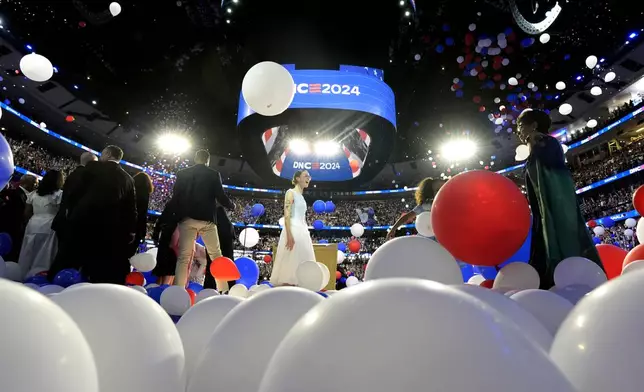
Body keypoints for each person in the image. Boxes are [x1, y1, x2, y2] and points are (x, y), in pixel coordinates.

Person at [517, 108, 603, 288]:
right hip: (542, 214)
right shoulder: (536, 150)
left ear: (533, 125)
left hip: (557, 209)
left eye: (520, 125)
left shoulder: (546, 144)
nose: (518, 131)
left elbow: (554, 182)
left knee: (564, 242)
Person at [68, 145, 137, 284]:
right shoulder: (128, 179)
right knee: (99, 265)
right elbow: (131, 209)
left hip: (84, 222)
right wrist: (131, 231)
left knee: (77, 261)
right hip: (110, 228)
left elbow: (76, 192)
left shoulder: (93, 168)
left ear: (107, 154)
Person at [170, 149, 234, 287]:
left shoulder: (183, 174)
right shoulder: (213, 174)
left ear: (195, 159)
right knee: (216, 255)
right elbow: (220, 196)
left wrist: (175, 216)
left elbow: (176, 197)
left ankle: (178, 290)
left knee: (184, 257)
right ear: (207, 160)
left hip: (187, 219)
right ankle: (223, 289)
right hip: (207, 220)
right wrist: (231, 206)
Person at [49, 152, 97, 279]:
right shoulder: (85, 176)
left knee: (63, 254)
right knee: (68, 258)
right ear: (92, 163)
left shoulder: (74, 174)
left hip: (64, 220)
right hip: (73, 222)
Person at [270, 170, 316, 286]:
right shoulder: (290, 193)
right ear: (297, 179)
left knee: (301, 263)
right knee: (290, 264)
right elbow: (287, 215)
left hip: (303, 232)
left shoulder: (301, 196)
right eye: (305, 176)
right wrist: (289, 235)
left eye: (309, 176)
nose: (308, 178)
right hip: (293, 230)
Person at [18, 170, 64, 278]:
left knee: (28, 251)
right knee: (44, 255)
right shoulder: (59, 194)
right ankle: (39, 277)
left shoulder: (34, 193)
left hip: (33, 224)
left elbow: (26, 212)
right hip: (49, 225)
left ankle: (22, 274)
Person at [0, 174, 38, 261]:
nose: (37, 186)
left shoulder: (27, 196)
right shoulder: (14, 194)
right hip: (10, 232)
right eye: (35, 183)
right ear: (27, 183)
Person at [128, 172, 154, 256]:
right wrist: (142, 232)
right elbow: (142, 214)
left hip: (124, 225)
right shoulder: (145, 194)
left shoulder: (129, 190)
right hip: (136, 229)